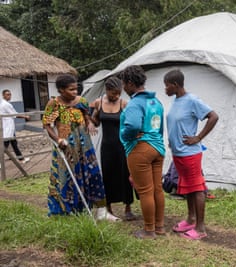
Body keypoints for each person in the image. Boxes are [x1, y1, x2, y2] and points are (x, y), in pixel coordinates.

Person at [42, 74, 119, 221]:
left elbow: (86, 116)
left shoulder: (82, 101)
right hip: (67, 147)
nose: (75, 92)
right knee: (68, 178)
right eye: (71, 89)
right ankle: (69, 211)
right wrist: (58, 139)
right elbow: (47, 125)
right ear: (61, 90)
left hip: (85, 146)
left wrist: (89, 123)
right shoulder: (54, 104)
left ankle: (100, 211)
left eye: (76, 88)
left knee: (92, 174)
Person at [164, 69, 218, 240]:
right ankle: (191, 219)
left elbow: (213, 116)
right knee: (187, 187)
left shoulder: (192, 100)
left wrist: (198, 137)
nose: (165, 90)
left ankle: (200, 228)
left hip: (190, 154)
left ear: (175, 85)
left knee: (197, 188)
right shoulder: (177, 100)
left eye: (167, 86)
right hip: (179, 153)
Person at [119, 65, 165, 239]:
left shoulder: (135, 103)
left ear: (130, 83)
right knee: (157, 189)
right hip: (157, 148)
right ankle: (159, 227)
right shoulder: (156, 102)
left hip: (140, 149)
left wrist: (125, 134)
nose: (123, 88)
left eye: (124, 84)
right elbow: (160, 127)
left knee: (145, 191)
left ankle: (148, 230)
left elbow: (132, 125)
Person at [90, 77, 136, 221]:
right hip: (107, 146)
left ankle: (128, 207)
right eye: (113, 93)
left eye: (118, 93)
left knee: (125, 174)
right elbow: (96, 122)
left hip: (122, 145)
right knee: (108, 175)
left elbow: (131, 124)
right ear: (107, 90)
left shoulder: (124, 104)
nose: (115, 96)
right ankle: (108, 207)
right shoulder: (99, 103)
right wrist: (91, 120)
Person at [1, 89, 30, 164]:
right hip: (7, 128)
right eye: (7, 94)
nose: (9, 96)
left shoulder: (3, 103)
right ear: (3, 95)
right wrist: (25, 117)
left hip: (8, 128)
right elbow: (14, 115)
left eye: (10, 94)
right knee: (4, 146)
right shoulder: (6, 104)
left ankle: (21, 159)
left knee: (14, 144)